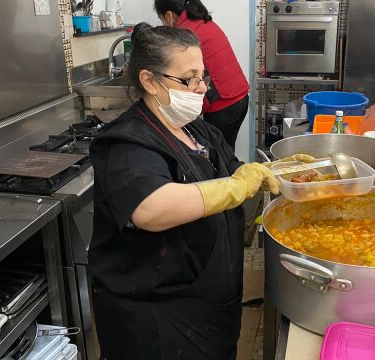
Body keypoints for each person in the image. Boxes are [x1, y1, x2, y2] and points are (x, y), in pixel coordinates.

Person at [89, 24, 311, 359]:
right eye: (189, 79)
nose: (203, 88)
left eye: (203, 76)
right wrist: (236, 188)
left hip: (209, 307)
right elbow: (151, 208)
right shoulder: (128, 143)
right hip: (158, 320)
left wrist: (275, 170)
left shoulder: (195, 128)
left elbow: (231, 168)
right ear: (149, 81)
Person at [155, 0, 250, 151]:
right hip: (240, 99)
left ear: (168, 16)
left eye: (161, 20)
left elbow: (186, 74)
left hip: (222, 106)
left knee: (218, 157)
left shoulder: (185, 34)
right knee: (226, 153)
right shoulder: (203, 22)